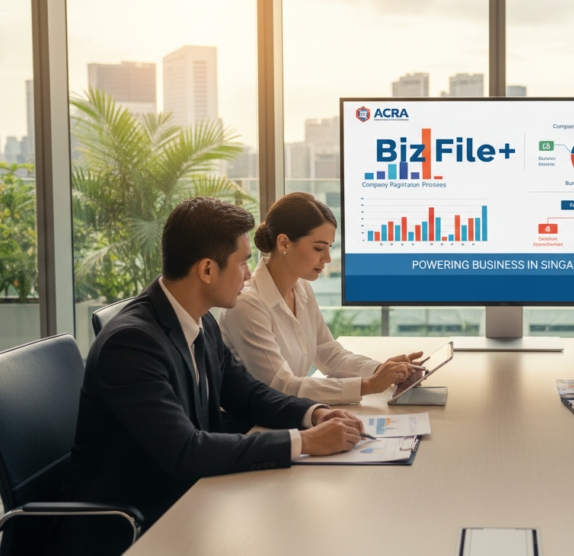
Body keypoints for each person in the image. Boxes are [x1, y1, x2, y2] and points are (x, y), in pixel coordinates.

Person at [55, 197, 367, 556]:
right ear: (207, 270)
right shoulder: (132, 344)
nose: (250, 275)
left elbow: (247, 393)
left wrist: (315, 414)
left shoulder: (200, 320)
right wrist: (306, 442)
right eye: (243, 262)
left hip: (190, 497)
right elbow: (186, 451)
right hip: (132, 523)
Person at [219, 192, 422, 405]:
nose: (326, 258)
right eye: (318, 248)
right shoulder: (246, 304)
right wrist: (369, 385)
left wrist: (384, 371)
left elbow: (330, 355)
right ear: (284, 243)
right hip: (254, 428)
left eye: (329, 247)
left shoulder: (301, 288)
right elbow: (281, 386)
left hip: (290, 416)